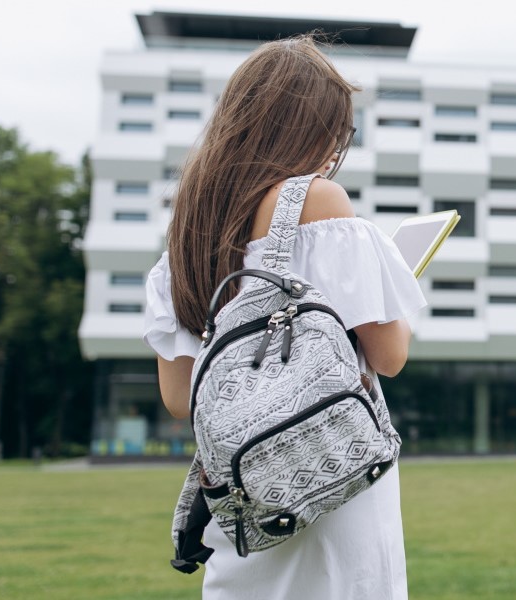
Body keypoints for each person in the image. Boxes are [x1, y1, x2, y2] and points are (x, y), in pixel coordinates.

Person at [142, 36, 425, 599]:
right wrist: (390, 279)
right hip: (330, 484)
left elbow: (181, 398)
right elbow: (389, 357)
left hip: (247, 504)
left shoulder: (187, 238)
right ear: (309, 129)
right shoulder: (317, 201)